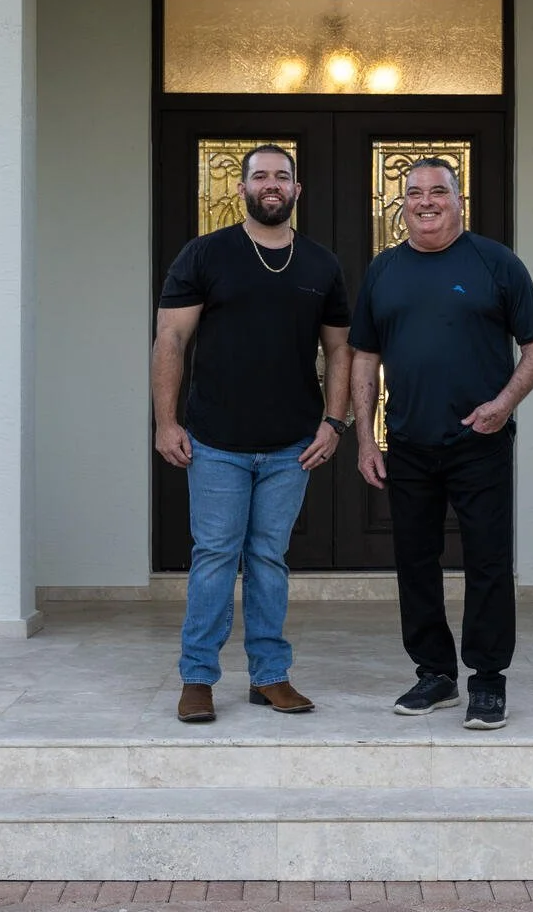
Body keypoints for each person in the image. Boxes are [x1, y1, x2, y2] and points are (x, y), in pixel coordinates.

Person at [348, 158, 533, 731]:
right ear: (402, 203)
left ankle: (488, 680)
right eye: (414, 193)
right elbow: (365, 356)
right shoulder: (384, 271)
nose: (426, 201)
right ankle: (434, 674)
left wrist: (503, 404)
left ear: (459, 200)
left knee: (488, 561)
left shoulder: (496, 263)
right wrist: (366, 437)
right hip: (408, 443)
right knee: (415, 563)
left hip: (479, 441)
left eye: (439, 191)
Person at [152, 144, 351, 723]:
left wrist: (334, 423)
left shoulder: (320, 264)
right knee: (215, 556)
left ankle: (269, 676)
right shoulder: (205, 255)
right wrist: (167, 422)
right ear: (241, 189)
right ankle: (197, 677)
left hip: (292, 445)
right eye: (260, 176)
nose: (271, 184)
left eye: (282, 177)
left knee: (269, 559)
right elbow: (171, 341)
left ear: (296, 190)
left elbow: (340, 349)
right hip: (216, 441)